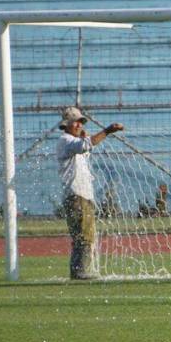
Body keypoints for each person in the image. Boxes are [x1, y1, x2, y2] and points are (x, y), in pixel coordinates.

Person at [56, 106, 124, 280]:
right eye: (76, 122)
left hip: (83, 196)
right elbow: (86, 145)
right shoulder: (65, 141)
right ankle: (81, 271)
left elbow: (85, 147)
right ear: (66, 125)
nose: (79, 125)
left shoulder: (73, 142)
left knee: (85, 234)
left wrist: (84, 136)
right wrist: (107, 131)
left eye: (81, 122)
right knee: (84, 235)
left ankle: (79, 270)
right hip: (76, 196)